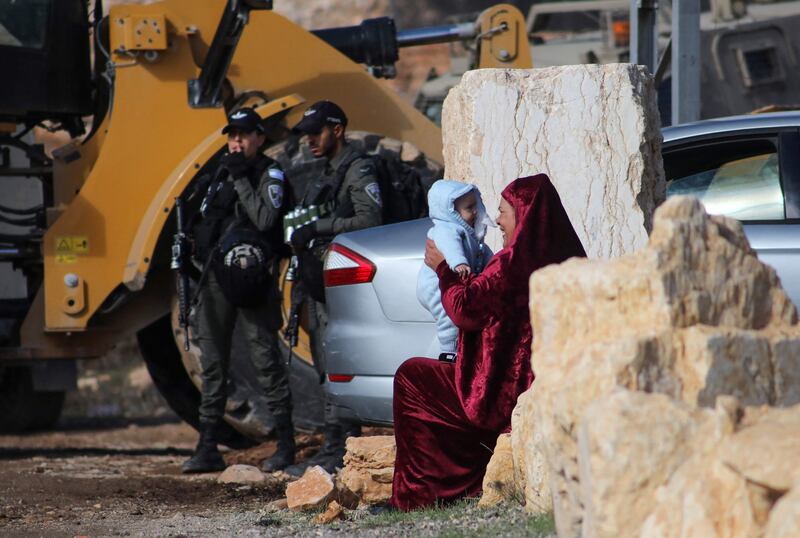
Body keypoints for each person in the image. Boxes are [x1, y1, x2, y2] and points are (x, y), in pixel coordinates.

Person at [390, 174, 587, 510]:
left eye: (503, 212)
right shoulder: (572, 259)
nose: (496, 221)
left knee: (411, 377)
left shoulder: (511, 265)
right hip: (544, 390)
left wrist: (443, 271)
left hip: (497, 396)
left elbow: (464, 311)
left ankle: (416, 496)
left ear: (522, 216)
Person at [183, 108, 295, 474]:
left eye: (244, 135)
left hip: (253, 278)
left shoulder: (268, 173)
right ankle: (206, 445)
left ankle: (286, 444)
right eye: (232, 135)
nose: (237, 142)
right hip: (215, 276)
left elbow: (264, 219)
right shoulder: (221, 173)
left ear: (260, 138)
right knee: (213, 362)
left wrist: (242, 179)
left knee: (265, 360)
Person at [284, 100, 383, 476]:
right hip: (322, 276)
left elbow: (369, 219)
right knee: (327, 357)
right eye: (306, 134)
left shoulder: (357, 169)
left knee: (334, 356)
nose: (309, 140)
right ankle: (336, 442)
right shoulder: (329, 170)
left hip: (343, 279)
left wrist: (320, 228)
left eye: (316, 132)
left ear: (337, 130)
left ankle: (339, 445)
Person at [417, 181, 493, 355]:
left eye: (475, 205)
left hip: (446, 282)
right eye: (469, 208)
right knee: (448, 319)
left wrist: (495, 264)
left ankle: (453, 348)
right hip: (434, 285)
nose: (475, 211)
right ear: (451, 212)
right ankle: (449, 351)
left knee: (452, 315)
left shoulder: (470, 234)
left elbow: (483, 254)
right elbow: (450, 245)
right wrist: (458, 262)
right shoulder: (446, 229)